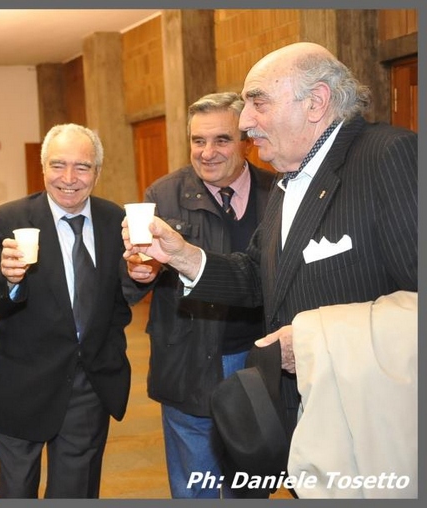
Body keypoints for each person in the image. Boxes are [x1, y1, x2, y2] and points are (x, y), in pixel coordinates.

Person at [124, 42, 417, 496]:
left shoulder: (389, 157)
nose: (243, 122)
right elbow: (253, 275)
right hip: (315, 417)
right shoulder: (289, 180)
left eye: (258, 102)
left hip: (375, 422)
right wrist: (180, 254)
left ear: (316, 102)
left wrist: (318, 339)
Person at [123, 92, 276, 498]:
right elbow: (133, 284)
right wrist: (140, 273)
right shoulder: (163, 194)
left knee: (251, 483)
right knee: (196, 486)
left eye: (221, 140)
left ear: (245, 140)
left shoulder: (278, 192)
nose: (207, 153)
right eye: (197, 140)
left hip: (261, 360)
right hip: (188, 360)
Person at [0, 123, 132, 499]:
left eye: (82, 166)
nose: (69, 178)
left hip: (88, 385)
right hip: (20, 388)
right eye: (58, 165)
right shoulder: (11, 219)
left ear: (97, 172)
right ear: (43, 168)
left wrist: (144, 275)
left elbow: (119, 297)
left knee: (75, 493)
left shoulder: (114, 220)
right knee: (17, 492)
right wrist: (8, 280)